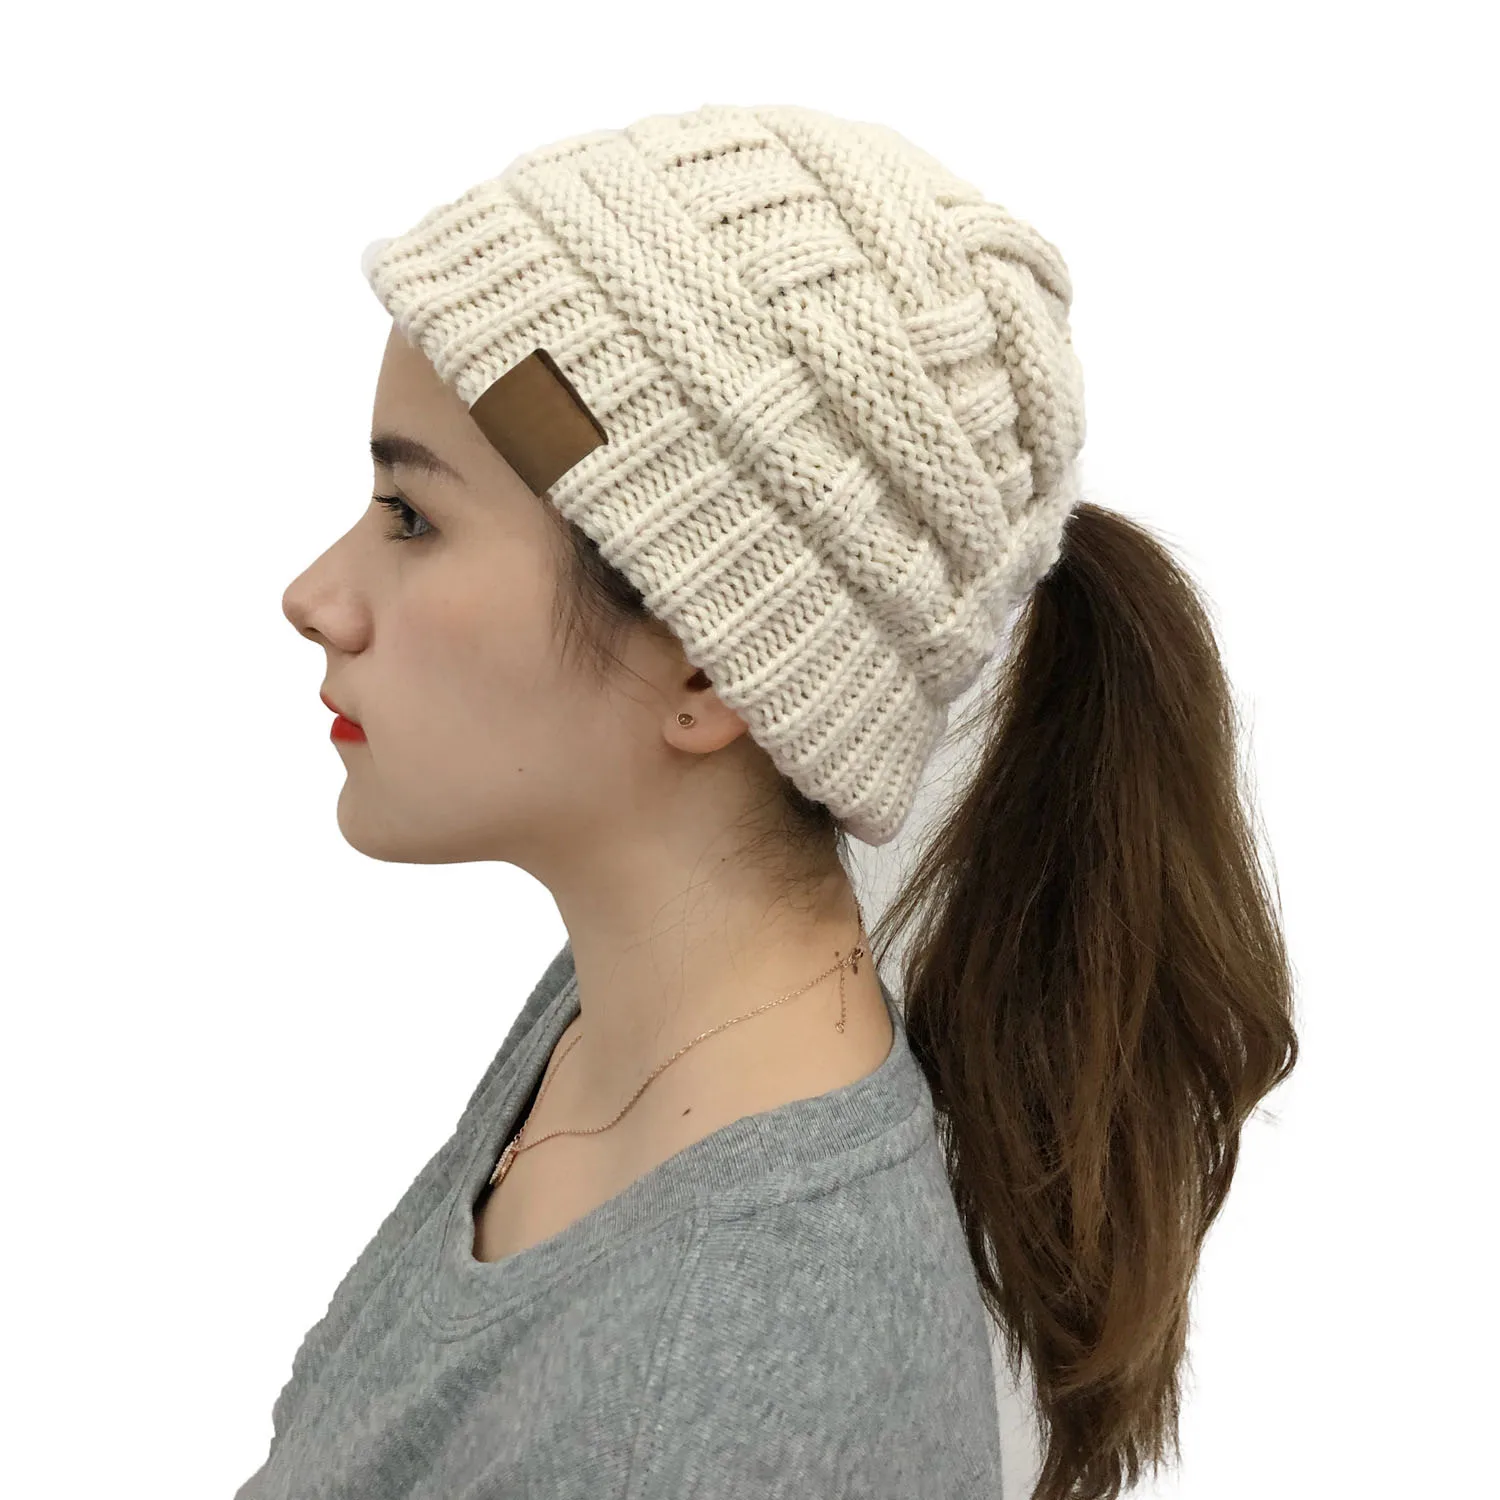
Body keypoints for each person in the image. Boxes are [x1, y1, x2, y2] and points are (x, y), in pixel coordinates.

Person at [248, 102, 1298, 1500]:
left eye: (413, 518)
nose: (316, 596)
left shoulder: (713, 1401)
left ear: (704, 657)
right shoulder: (630, 1020)